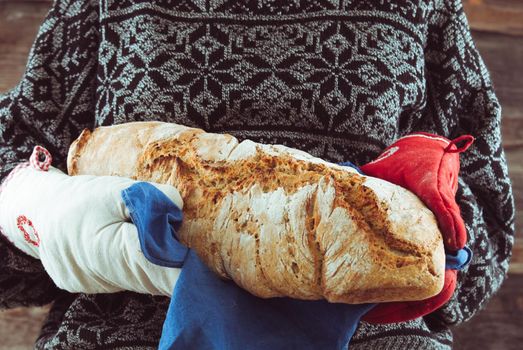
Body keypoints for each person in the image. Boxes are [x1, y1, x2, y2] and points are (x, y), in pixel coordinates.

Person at [0, 0, 515, 348]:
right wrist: (50, 214)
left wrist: (424, 240)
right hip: (123, 333)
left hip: (364, 336)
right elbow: (15, 164)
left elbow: (486, 223)